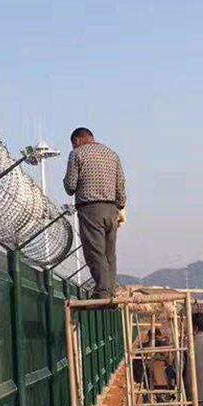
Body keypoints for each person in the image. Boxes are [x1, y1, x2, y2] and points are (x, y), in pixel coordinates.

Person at [63, 127, 126, 299]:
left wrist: (65, 181)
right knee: (109, 254)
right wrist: (120, 206)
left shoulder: (77, 154)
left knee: (95, 252)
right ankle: (111, 291)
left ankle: (103, 291)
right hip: (112, 209)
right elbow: (120, 184)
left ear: (76, 140)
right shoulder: (111, 154)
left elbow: (70, 186)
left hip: (91, 209)